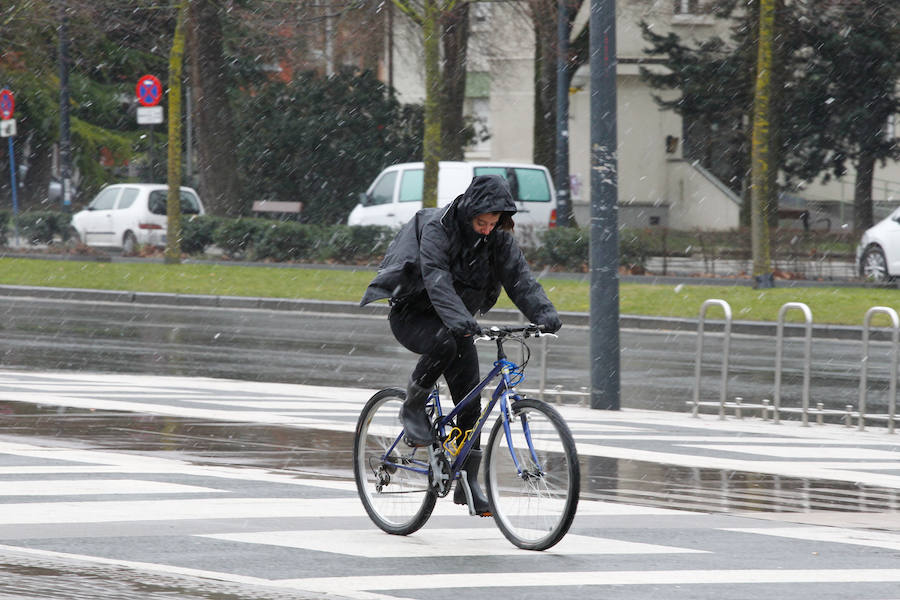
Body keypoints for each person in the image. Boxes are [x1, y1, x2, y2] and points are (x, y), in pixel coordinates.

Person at [360, 175, 562, 516]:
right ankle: (413, 404)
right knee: (442, 344)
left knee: (471, 406)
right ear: (468, 212)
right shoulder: (439, 229)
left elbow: (520, 279)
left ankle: (469, 486)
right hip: (414, 314)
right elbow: (436, 276)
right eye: (481, 222)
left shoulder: (498, 239)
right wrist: (458, 320)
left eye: (493, 223)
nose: (486, 229)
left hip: (459, 324)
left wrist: (544, 313)